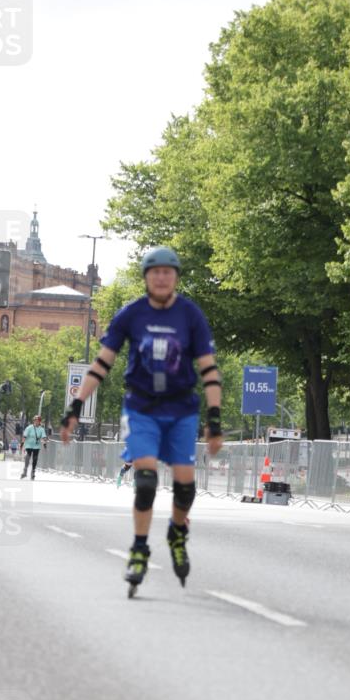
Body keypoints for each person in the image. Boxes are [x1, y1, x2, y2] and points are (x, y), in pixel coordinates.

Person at [60, 245, 223, 592]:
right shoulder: (130, 314)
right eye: (155, 272)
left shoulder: (190, 316)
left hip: (180, 409)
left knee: (185, 488)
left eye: (168, 272)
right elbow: (102, 364)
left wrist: (215, 418)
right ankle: (139, 548)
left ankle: (177, 532)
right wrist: (75, 408)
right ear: (147, 278)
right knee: (146, 481)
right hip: (142, 408)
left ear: (176, 278)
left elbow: (209, 369)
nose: (162, 278)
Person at [21, 414, 47, 479]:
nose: (36, 422)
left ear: (39, 421)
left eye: (37, 421)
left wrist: (44, 444)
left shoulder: (41, 429)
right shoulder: (29, 428)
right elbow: (24, 436)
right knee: (28, 457)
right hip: (29, 445)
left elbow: (43, 437)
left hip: (36, 446)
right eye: (35, 420)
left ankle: (33, 472)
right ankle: (25, 470)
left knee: (35, 459)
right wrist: (22, 444)